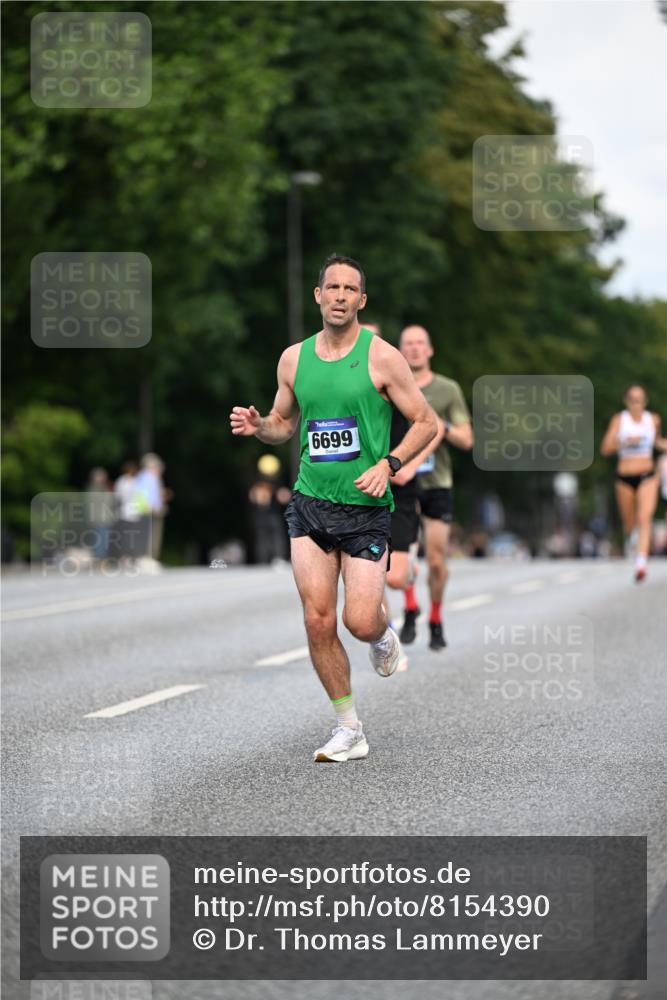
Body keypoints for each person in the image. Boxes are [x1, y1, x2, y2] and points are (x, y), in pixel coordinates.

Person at [231, 255, 437, 762]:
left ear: (361, 301)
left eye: (351, 289)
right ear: (318, 296)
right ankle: (349, 727)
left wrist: (389, 464)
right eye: (332, 287)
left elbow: (426, 423)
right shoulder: (293, 359)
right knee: (318, 619)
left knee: (358, 620)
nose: (341, 295)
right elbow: (285, 423)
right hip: (310, 504)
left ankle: (382, 632)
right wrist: (263, 426)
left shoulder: (383, 357)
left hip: (366, 507)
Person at [398, 325, 473, 649]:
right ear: (400, 350)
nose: (414, 349)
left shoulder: (447, 389)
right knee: (406, 552)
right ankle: (411, 606)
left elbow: (467, 439)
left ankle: (436, 617)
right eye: (408, 344)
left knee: (438, 560)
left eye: (420, 344)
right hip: (402, 479)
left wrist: (437, 425)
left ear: (430, 350)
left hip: (436, 481)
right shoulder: (392, 386)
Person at [600, 384, 666, 582]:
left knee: (644, 518)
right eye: (632, 399)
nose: (635, 404)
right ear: (626, 401)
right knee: (630, 522)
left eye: (639, 400)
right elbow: (605, 448)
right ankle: (633, 539)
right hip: (624, 477)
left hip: (647, 475)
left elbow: (657, 441)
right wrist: (625, 442)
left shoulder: (652, 420)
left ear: (644, 402)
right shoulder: (619, 421)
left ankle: (641, 564)